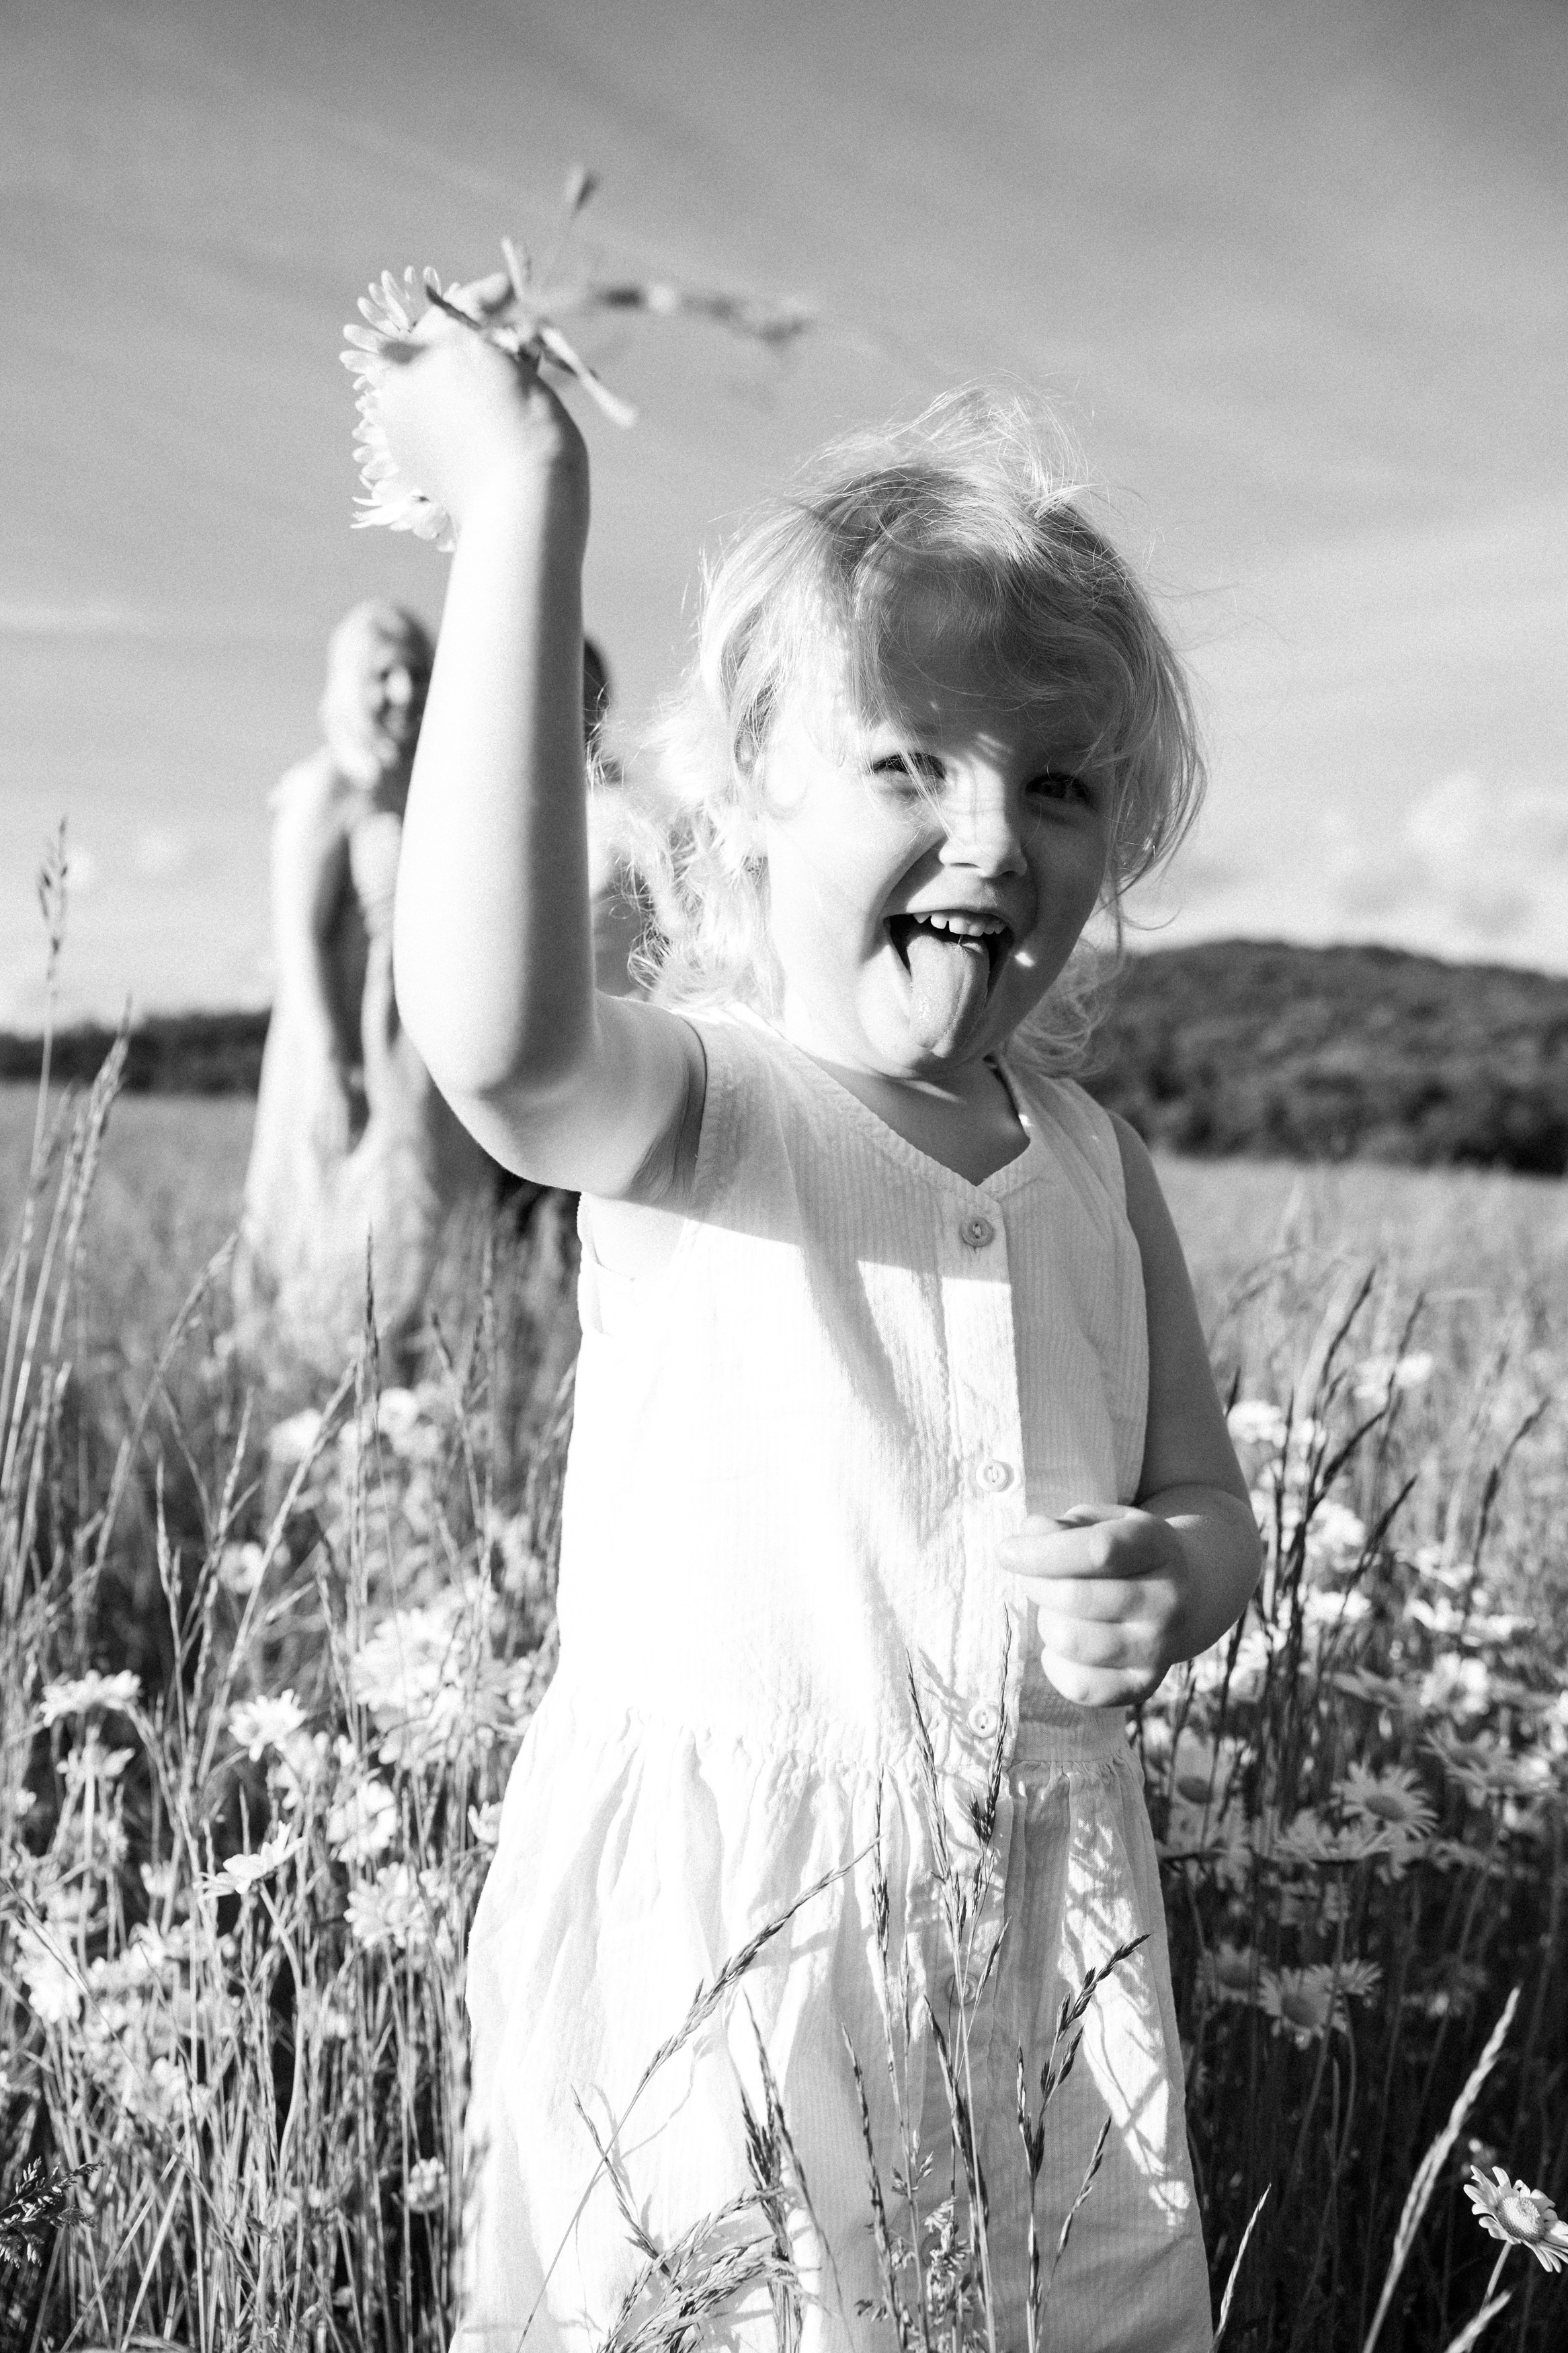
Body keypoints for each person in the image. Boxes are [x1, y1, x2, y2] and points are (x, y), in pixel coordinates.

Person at [378, 296, 1262, 2352]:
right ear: (750, 795)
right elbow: (497, 1044)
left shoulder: (1096, 1161)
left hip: (1039, 1937)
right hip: (738, 1955)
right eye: (905, 760)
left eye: (1054, 783)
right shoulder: (717, 1104)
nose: (985, 829)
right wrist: (518, 510)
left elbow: (1206, 1498)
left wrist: (1172, 1580)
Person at [235, 600, 489, 1376]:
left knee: (418, 1227)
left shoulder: (426, 786)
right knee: (337, 1213)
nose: (406, 690)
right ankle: (317, 1388)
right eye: (385, 673)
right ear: (351, 681)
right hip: (346, 1039)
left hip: (421, 1045)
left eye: (417, 670)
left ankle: (402, 1392)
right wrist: (336, 1064)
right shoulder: (325, 788)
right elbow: (298, 939)